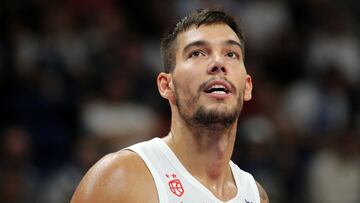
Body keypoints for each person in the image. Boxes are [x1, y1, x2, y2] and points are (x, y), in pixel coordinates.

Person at [71, 8, 269, 203]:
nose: (218, 62)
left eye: (231, 54)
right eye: (198, 53)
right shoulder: (120, 178)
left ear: (247, 87)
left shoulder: (254, 195)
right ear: (167, 85)